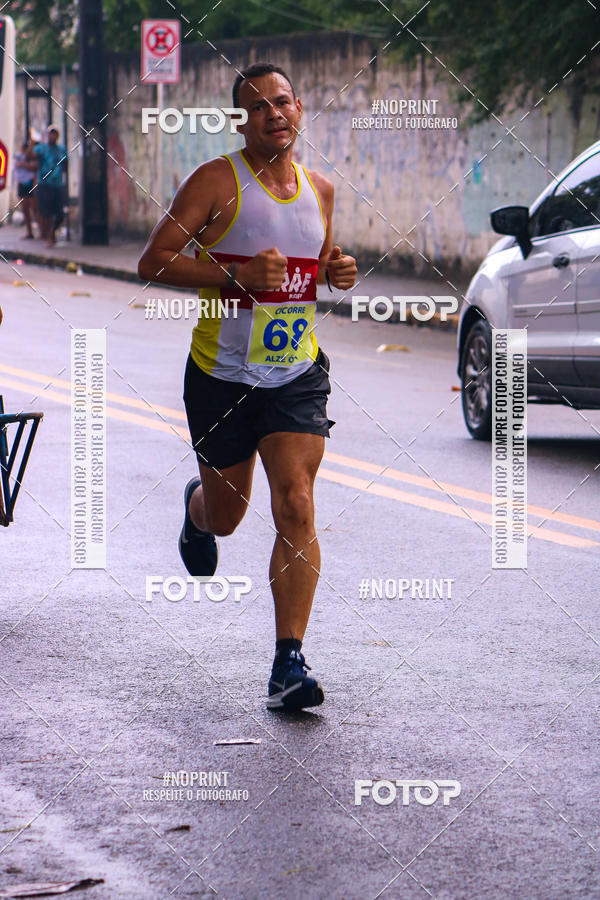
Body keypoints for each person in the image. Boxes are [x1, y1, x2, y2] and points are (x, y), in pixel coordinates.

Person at [138, 62, 357, 712]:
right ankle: (197, 509)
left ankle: (289, 661)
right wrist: (235, 275)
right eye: (258, 106)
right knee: (228, 518)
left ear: (300, 107)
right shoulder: (216, 181)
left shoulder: (321, 189)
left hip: (293, 376)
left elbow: (314, 265)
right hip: (221, 379)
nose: (274, 114)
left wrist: (337, 270)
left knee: (296, 502)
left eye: (282, 102)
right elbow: (155, 262)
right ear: (243, 119)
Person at [34, 125, 68, 247]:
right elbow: (30, 156)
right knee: (46, 213)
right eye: (50, 134)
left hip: (57, 184)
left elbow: (66, 165)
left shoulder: (61, 150)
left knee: (60, 213)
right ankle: (48, 236)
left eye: (54, 134)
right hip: (44, 184)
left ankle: (53, 231)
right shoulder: (41, 149)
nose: (52, 136)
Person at [13, 141, 37, 238]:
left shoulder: (32, 157)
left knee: (34, 208)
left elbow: (33, 167)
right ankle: (29, 232)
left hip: (30, 183)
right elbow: (16, 166)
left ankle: (42, 231)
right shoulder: (18, 156)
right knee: (25, 209)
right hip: (22, 184)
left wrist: (23, 164)